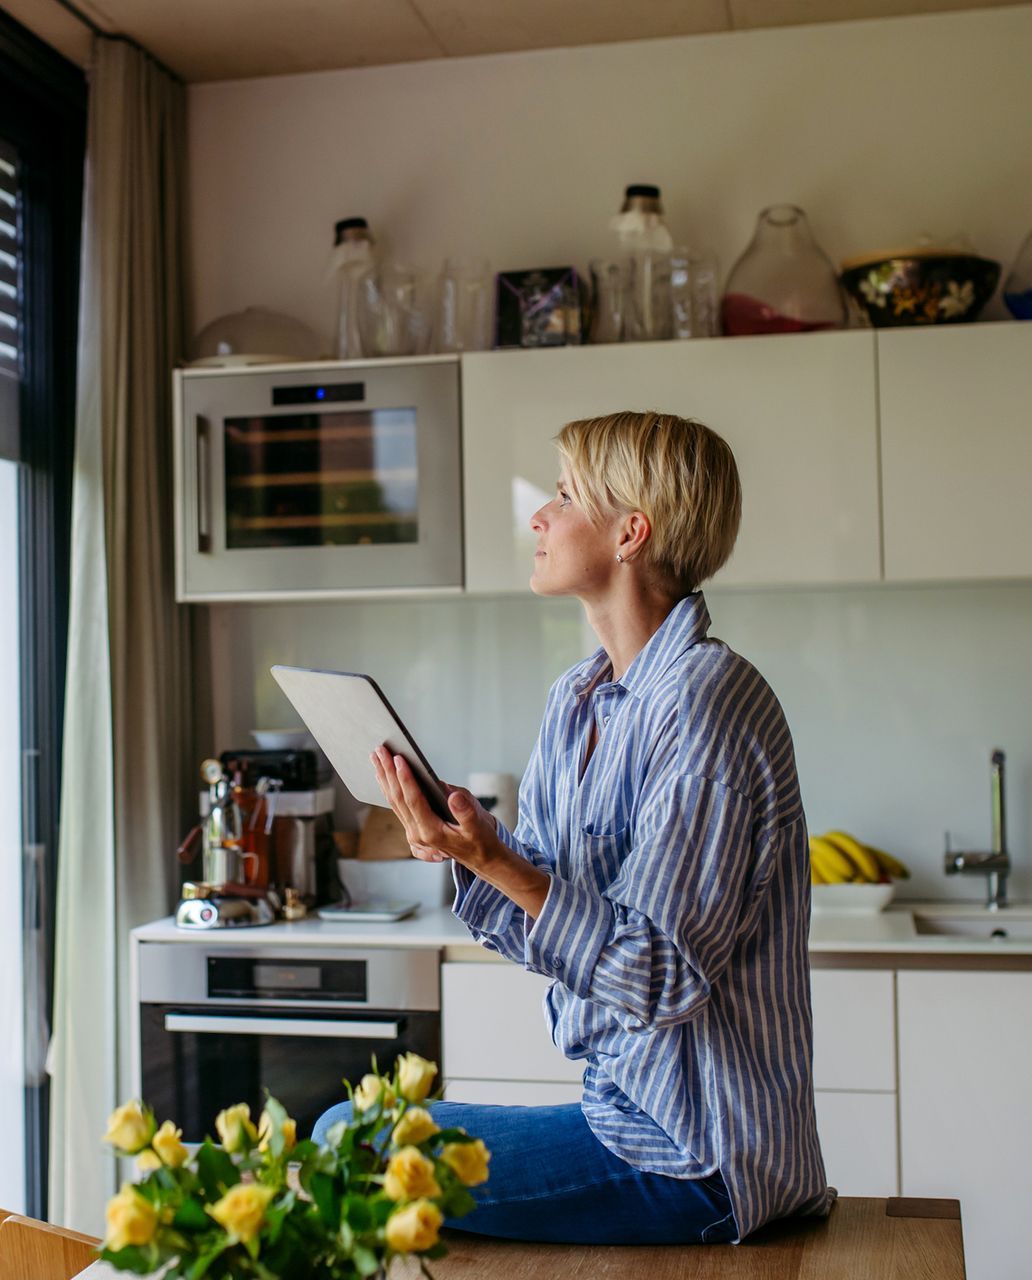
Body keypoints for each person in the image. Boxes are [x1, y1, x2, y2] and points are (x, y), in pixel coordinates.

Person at [311, 410, 831, 1245]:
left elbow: (661, 978)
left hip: (704, 1157)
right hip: (626, 1115)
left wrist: (497, 862)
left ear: (631, 532)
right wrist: (467, 846)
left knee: (349, 1141)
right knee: (356, 1131)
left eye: (563, 495)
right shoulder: (577, 700)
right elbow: (546, 919)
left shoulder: (708, 704)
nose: (539, 517)